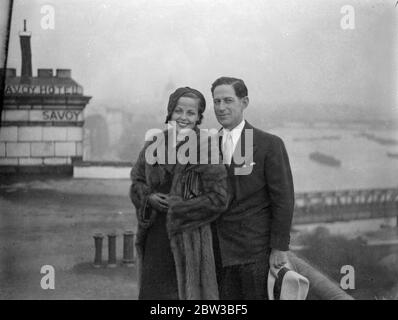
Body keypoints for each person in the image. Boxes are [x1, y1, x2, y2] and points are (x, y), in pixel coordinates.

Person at [129, 87, 229, 300]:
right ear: (170, 113)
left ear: (198, 117)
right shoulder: (154, 144)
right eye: (178, 111)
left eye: (191, 113)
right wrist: (148, 197)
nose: (183, 118)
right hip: (156, 238)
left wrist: (178, 206)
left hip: (189, 241)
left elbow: (218, 199)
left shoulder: (206, 147)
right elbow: (136, 182)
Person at [211, 76, 295, 300]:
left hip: (255, 253)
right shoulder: (207, 146)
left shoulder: (269, 144)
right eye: (216, 102)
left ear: (244, 102)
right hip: (218, 253)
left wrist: (279, 247)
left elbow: (284, 200)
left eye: (228, 100)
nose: (221, 107)